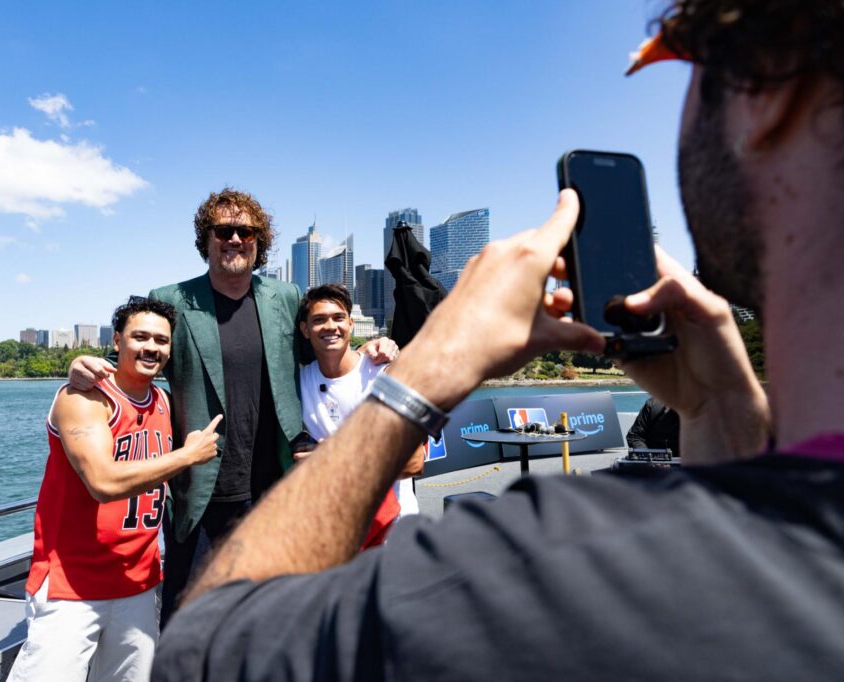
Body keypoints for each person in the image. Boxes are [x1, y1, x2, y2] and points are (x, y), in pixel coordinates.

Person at [153, 2, 844, 679]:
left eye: (684, 45)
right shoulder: (766, 554)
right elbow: (736, 559)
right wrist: (722, 418)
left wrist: (420, 374)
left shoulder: (540, 561)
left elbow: (208, 650)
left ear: (765, 89)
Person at [69, 188, 398, 628]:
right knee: (189, 614)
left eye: (247, 231)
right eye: (224, 230)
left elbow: (321, 346)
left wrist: (372, 345)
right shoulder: (174, 299)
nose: (236, 239)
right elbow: (135, 357)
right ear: (206, 239)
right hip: (203, 486)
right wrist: (84, 368)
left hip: (275, 482)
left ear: (260, 242)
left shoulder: (283, 296)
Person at [8, 297, 221, 682]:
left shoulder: (164, 402)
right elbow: (103, 483)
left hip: (137, 582)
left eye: (161, 340)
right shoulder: (84, 399)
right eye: (140, 337)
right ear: (118, 341)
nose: (151, 347)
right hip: (70, 584)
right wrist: (187, 456)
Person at [295, 284, 425, 547]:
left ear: (351, 324)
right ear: (305, 330)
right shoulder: (299, 380)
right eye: (319, 320)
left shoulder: (391, 375)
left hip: (393, 531)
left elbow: (415, 463)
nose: (330, 326)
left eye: (338, 318)